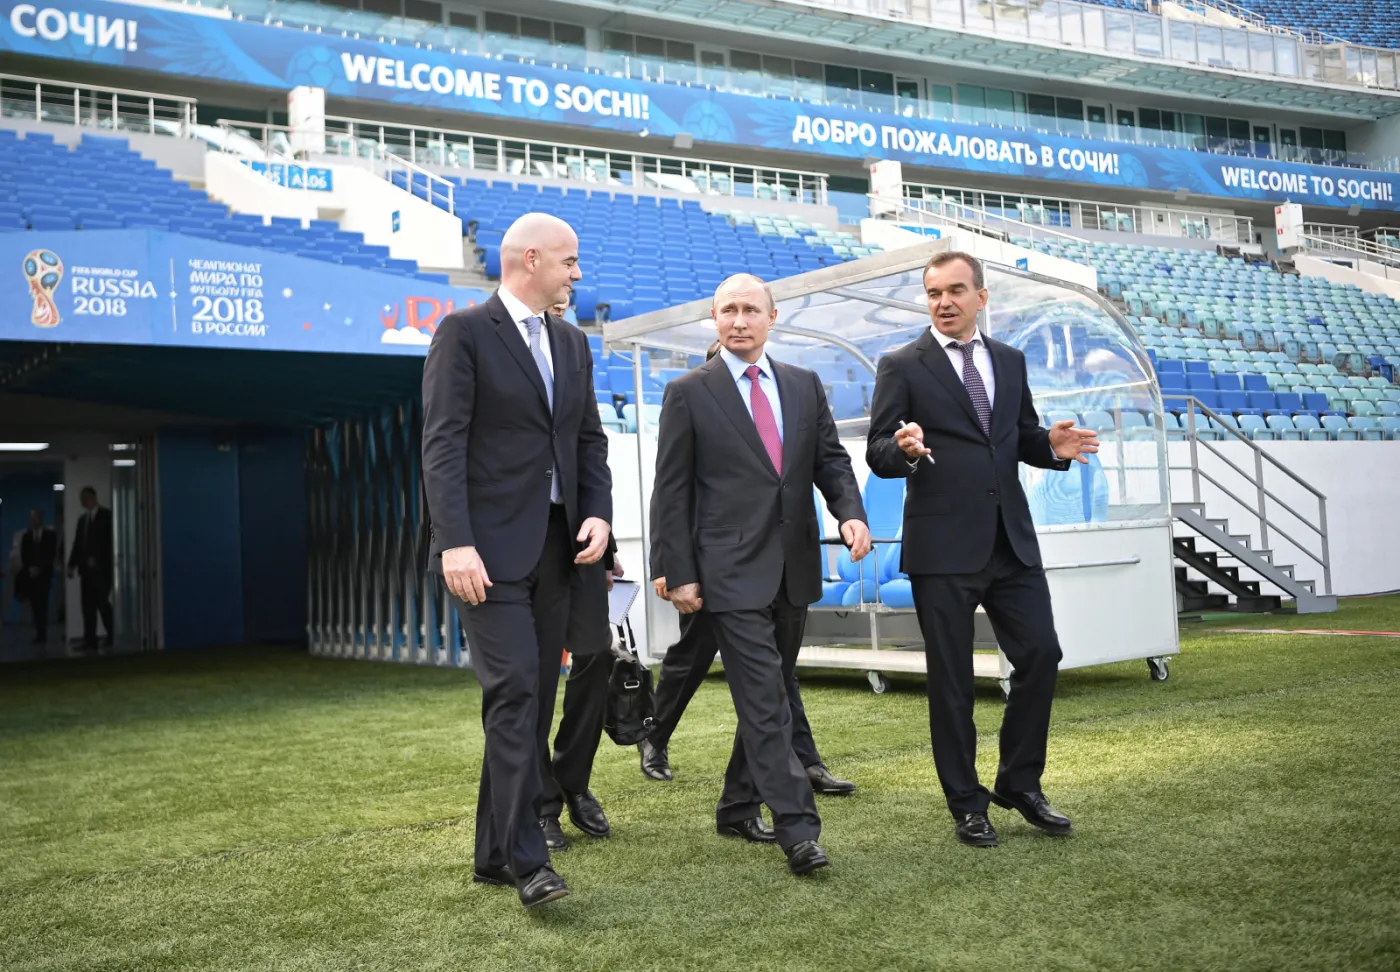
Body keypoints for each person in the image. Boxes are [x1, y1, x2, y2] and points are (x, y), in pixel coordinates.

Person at [865, 250, 1098, 849]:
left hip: (1010, 542)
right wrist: (907, 451)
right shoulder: (901, 365)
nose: (944, 302)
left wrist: (1052, 446)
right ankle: (967, 802)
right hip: (941, 547)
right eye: (934, 292)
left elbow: (1019, 436)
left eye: (956, 291)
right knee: (953, 682)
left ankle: (1020, 783)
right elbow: (879, 453)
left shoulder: (1011, 361)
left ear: (981, 297)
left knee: (1042, 653)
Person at [421, 212, 612, 909]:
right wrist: (454, 541)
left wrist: (598, 512)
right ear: (530, 259)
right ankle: (530, 859)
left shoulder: (573, 343)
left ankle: (492, 855)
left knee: (532, 707)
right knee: (514, 695)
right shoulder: (464, 333)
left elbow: (589, 440)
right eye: (569, 260)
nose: (577, 273)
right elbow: (442, 444)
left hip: (560, 551)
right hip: (487, 554)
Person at [650, 274, 870, 876]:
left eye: (750, 309)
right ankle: (798, 829)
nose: (739, 320)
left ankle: (737, 804)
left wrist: (850, 514)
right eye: (728, 310)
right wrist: (676, 571)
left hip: (793, 569)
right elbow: (670, 492)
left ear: (772, 317)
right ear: (714, 320)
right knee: (766, 698)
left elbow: (830, 459)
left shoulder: (803, 385)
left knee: (767, 695)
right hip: (726, 573)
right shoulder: (688, 392)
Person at [67, 487, 113, 652]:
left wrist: (98, 560)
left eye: (84, 498)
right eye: (81, 498)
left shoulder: (106, 516)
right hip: (85, 572)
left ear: (93, 497)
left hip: (102, 572)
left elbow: (110, 544)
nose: (82, 501)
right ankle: (90, 640)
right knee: (87, 607)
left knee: (102, 604)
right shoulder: (82, 520)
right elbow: (78, 545)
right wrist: (71, 565)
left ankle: (112, 636)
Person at [20, 509, 59, 646]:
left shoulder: (50, 535)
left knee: (43, 604)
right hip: (31, 577)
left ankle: (43, 633)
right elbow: (24, 555)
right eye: (32, 518)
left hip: (44, 576)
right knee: (35, 606)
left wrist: (40, 568)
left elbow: (52, 554)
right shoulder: (26, 536)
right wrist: (30, 569)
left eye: (36, 518)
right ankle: (39, 633)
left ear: (41, 519)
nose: (34, 520)